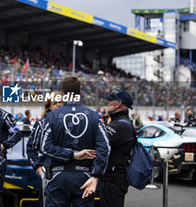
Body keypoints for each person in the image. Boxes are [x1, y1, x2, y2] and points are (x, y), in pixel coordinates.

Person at [40, 76, 110, 207]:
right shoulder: (94, 116)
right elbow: (105, 147)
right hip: (84, 177)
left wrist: (71, 154)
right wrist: (96, 176)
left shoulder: (52, 116)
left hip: (58, 176)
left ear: (62, 93)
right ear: (80, 93)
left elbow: (44, 147)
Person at [99, 90, 136, 207]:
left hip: (113, 180)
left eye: (110, 100)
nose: (107, 102)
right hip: (112, 178)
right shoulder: (120, 122)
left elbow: (98, 143)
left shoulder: (121, 125)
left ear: (118, 104)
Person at [26, 92, 63, 207]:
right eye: (55, 103)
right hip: (48, 171)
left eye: (61, 102)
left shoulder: (72, 123)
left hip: (68, 171)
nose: (59, 105)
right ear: (49, 106)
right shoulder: (41, 124)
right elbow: (31, 148)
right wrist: (38, 167)